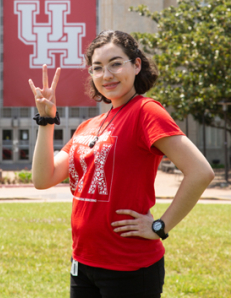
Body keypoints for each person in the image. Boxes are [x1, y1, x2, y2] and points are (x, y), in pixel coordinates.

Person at [28, 30, 214, 298]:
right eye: (97, 68)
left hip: (130, 266)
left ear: (136, 65)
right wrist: (46, 121)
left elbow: (200, 172)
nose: (107, 75)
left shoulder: (146, 112)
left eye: (116, 63)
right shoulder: (88, 126)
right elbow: (43, 179)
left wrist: (160, 226)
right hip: (83, 262)